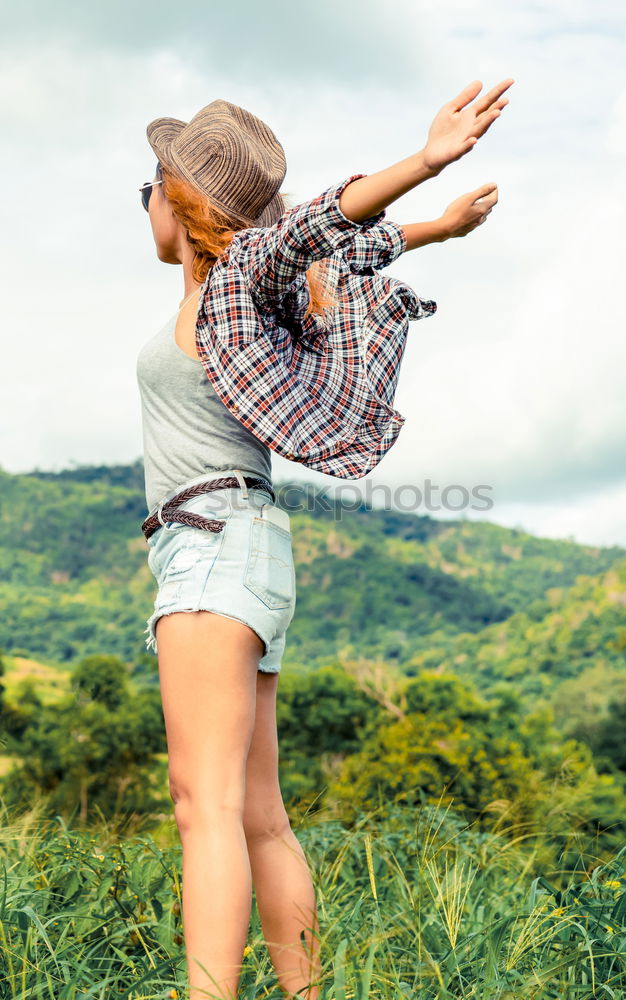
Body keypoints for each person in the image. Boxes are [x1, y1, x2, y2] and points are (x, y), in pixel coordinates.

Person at [137, 78, 513, 1000]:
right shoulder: (245, 296)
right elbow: (340, 254)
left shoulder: (233, 289)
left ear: (181, 201)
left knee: (207, 809)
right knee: (259, 812)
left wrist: (423, 163)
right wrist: (439, 230)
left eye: (145, 186)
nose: (141, 203)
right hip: (247, 545)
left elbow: (315, 229)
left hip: (209, 545)